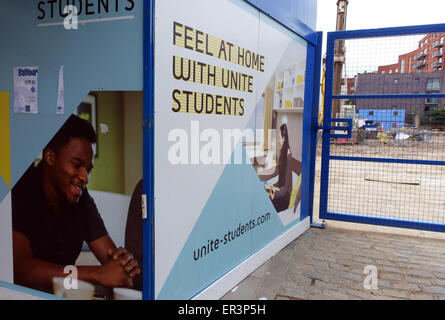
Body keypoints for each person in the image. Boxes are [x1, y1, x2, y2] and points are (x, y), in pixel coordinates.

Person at [11, 114, 140, 293]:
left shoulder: (83, 201)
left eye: (88, 169)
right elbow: (20, 268)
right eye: (77, 165)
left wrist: (124, 266)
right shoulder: (21, 189)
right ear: (50, 157)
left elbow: (111, 261)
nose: (85, 177)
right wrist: (96, 274)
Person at [269, 123, 293, 212]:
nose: (278, 140)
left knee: (267, 201)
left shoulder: (289, 157)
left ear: (284, 138)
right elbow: (280, 182)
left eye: (279, 138)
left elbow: (285, 189)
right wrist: (270, 187)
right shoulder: (283, 154)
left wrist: (273, 194)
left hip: (285, 197)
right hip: (281, 191)